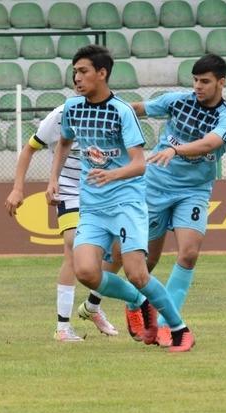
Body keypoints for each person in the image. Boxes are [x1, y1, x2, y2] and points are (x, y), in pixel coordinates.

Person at [46, 44, 195, 352]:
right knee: (85, 270)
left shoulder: (122, 111)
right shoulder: (72, 108)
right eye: (74, 72)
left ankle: (180, 329)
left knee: (137, 272)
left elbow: (139, 164)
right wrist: (53, 180)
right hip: (94, 206)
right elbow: (63, 143)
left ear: (102, 74)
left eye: (83, 71)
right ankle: (139, 301)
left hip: (126, 202)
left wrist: (111, 175)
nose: (77, 78)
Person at [130, 54, 226, 347]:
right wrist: (108, 110)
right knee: (144, 264)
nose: (198, 86)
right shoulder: (177, 100)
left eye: (205, 81)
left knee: (189, 254)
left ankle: (167, 324)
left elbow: (210, 143)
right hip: (155, 186)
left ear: (221, 82)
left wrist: (176, 151)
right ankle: (136, 305)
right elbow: (139, 108)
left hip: (194, 191)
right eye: (195, 80)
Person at [5, 103, 120, 342]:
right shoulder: (60, 115)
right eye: (77, 74)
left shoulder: (116, 112)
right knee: (74, 247)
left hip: (105, 188)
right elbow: (29, 149)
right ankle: (62, 328)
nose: (80, 81)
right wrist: (17, 188)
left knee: (117, 252)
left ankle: (92, 306)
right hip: (69, 190)